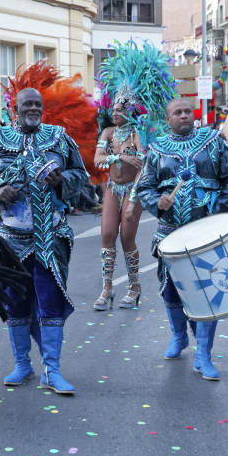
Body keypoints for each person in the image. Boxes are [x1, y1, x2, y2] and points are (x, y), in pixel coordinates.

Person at [0, 88, 88, 394]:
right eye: (27, 105)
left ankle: (52, 370)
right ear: (15, 108)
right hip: (10, 239)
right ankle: (22, 364)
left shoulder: (59, 138)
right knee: (16, 302)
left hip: (51, 236)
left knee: (51, 301)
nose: (33, 109)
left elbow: (80, 175)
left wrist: (62, 180)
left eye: (37, 104)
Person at [135, 98, 228, 381]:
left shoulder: (212, 141)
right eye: (177, 112)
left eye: (187, 111)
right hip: (169, 232)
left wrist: (219, 211)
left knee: (208, 291)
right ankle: (178, 335)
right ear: (168, 118)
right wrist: (157, 202)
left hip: (206, 231)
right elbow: (144, 187)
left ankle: (203, 355)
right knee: (172, 290)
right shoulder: (156, 149)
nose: (184, 115)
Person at [93, 101, 145, 309]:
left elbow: (143, 166)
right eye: (113, 109)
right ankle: (107, 288)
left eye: (120, 109)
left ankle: (134, 287)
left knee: (126, 238)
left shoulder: (137, 134)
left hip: (133, 189)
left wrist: (132, 200)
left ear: (130, 112)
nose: (114, 113)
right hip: (113, 188)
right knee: (107, 235)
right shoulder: (108, 132)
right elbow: (98, 159)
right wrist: (120, 157)